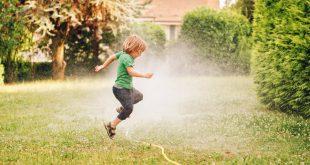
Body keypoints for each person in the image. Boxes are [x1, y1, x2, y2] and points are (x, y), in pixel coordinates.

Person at [95, 35, 153, 139]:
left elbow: (112, 57)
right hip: (121, 89)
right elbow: (130, 72)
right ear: (133, 48)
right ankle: (111, 125)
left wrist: (103, 66)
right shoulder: (127, 58)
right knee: (129, 109)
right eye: (139, 52)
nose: (140, 55)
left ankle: (122, 108)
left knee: (139, 96)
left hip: (126, 88)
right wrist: (144, 75)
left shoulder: (123, 54)